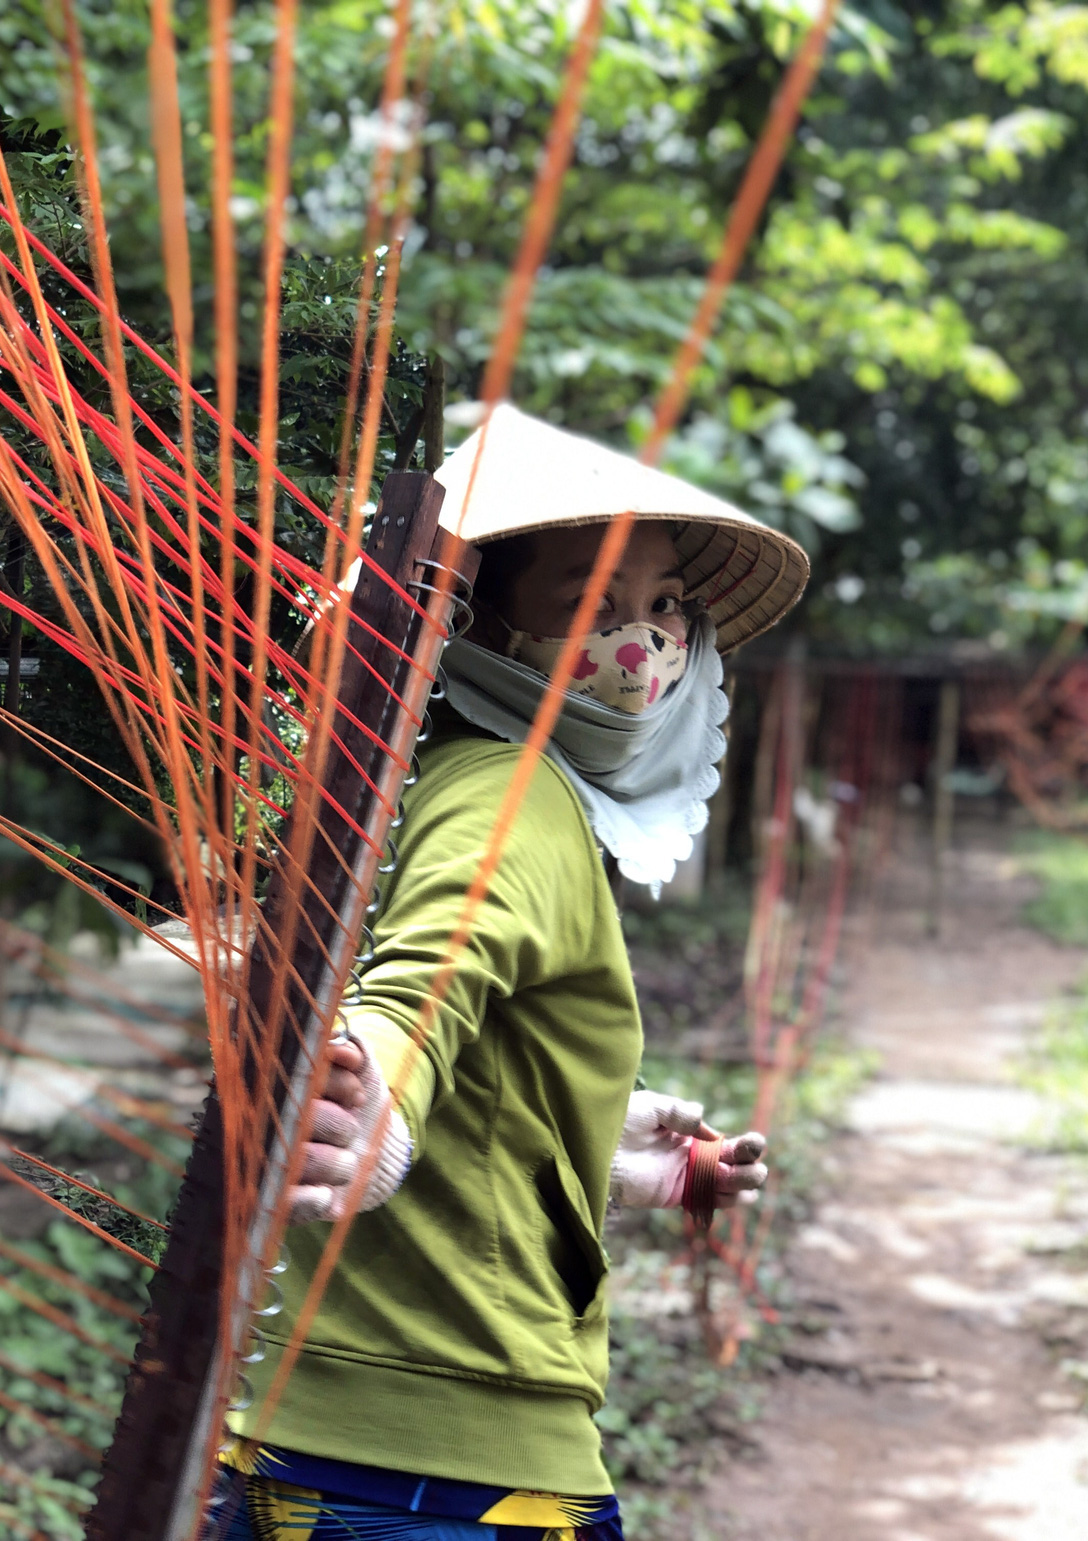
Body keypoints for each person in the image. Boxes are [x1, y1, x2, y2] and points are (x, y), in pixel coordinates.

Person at [209, 404, 811, 1541]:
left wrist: (586, 1137)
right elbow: (420, 987)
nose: (644, 644)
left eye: (663, 605)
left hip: (314, 1438)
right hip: (453, 1476)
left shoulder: (418, 780)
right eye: (591, 604)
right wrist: (378, 1103)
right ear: (473, 618)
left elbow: (449, 1021)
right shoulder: (513, 792)